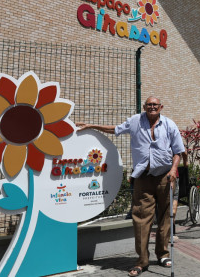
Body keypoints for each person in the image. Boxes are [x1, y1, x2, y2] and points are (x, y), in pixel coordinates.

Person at [76, 96, 185, 277]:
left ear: (161, 107)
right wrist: (91, 126)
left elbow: (178, 151)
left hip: (166, 177)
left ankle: (163, 254)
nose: (152, 107)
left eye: (155, 105)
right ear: (144, 106)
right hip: (143, 177)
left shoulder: (169, 124)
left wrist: (174, 169)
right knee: (141, 219)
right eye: (149, 105)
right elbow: (116, 129)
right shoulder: (135, 121)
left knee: (166, 217)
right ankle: (142, 260)